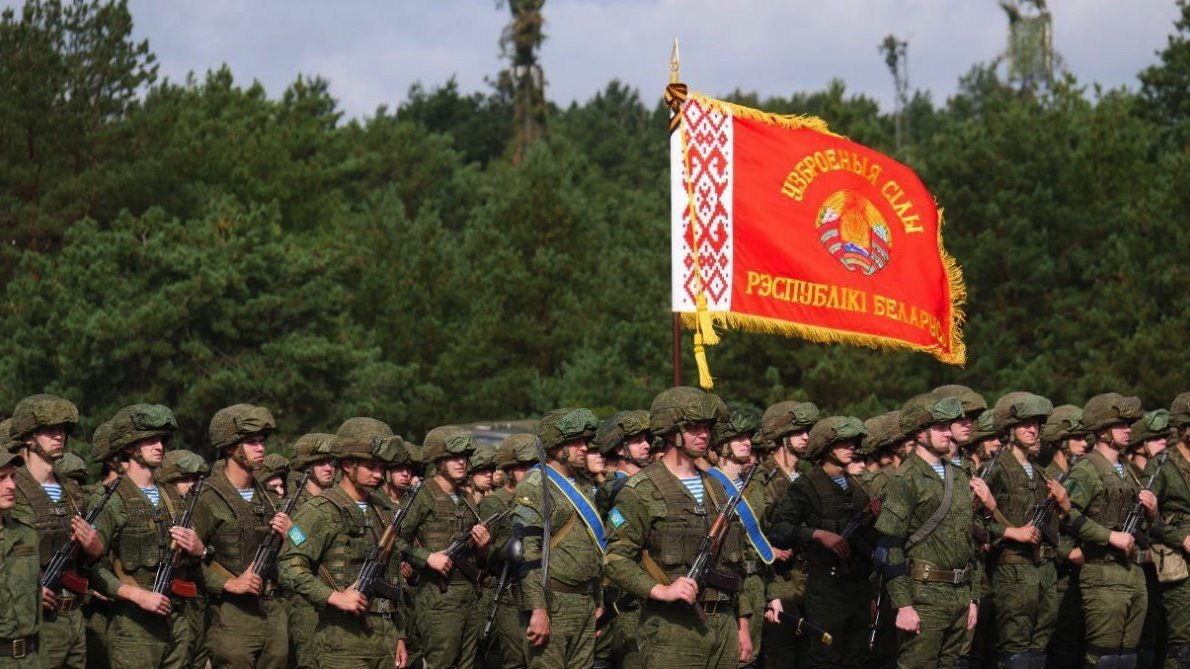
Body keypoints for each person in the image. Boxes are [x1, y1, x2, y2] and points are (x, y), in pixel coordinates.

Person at [604, 386, 750, 669]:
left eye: (706, 427)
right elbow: (615, 559)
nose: (704, 435)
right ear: (671, 432)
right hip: (672, 630)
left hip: (723, 625)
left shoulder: (717, 487)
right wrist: (659, 589)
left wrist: (742, 626)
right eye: (694, 428)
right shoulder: (640, 490)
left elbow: (735, 564)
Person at [874, 392, 996, 669]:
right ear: (918, 433)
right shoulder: (906, 479)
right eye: (939, 427)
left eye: (948, 426)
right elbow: (888, 546)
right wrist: (903, 606)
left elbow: (970, 543)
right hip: (923, 597)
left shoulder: (958, 474)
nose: (947, 433)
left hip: (959, 595)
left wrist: (972, 598)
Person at [279, 418, 409, 669]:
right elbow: (289, 567)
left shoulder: (382, 511)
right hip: (342, 642)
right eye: (371, 466)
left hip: (384, 638)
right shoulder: (319, 511)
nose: (379, 474)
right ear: (348, 464)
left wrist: (399, 635)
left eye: (382, 467)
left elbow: (391, 580)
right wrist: (334, 597)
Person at [91, 404, 206, 669]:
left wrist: (200, 550)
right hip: (134, 625)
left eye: (162, 440)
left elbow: (194, 563)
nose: (159, 446)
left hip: (177, 620)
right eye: (150, 440)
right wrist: (137, 595)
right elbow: (92, 568)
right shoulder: (110, 499)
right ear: (130, 447)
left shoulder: (173, 498)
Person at [770, 416, 875, 669]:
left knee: (857, 659)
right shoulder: (806, 485)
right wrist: (817, 534)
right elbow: (779, 529)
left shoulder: (857, 485)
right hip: (825, 589)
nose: (852, 447)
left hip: (858, 588)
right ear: (827, 447)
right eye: (844, 442)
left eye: (854, 441)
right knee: (824, 658)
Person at [191, 404, 291, 669]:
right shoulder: (206, 498)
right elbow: (185, 563)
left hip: (273, 609)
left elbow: (301, 550)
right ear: (229, 448)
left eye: (261, 441)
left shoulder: (269, 498)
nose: (261, 448)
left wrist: (291, 535)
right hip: (231, 615)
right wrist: (228, 584)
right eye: (251, 442)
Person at [9, 394, 103, 669]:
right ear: (28, 437)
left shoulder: (73, 492)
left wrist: (95, 548)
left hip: (74, 621)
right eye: (49, 430)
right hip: (32, 624)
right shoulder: (10, 488)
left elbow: (87, 561)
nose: (59, 436)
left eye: (63, 430)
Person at [1063, 393, 1153, 668]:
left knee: (1127, 658)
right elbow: (1067, 514)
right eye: (1121, 425)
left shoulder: (1128, 470)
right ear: (1102, 431)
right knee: (1103, 658)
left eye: (1129, 424)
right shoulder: (1087, 469)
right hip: (1102, 574)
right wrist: (1109, 536)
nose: (1129, 430)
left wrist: (1151, 511)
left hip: (1132, 573)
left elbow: (1141, 524)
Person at [982, 392, 1070, 669]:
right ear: (1009, 429)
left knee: (1038, 649)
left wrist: (1064, 504)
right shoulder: (994, 470)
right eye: (1025, 425)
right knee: (1015, 651)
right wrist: (1011, 533)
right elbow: (968, 520)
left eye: (1036, 425)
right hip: (1013, 568)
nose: (1033, 431)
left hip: (1044, 569)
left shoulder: (1042, 473)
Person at [395, 426, 490, 669]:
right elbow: (392, 539)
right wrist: (426, 557)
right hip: (439, 594)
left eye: (464, 457)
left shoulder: (467, 498)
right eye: (454, 457)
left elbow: (478, 554)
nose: (462, 462)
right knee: (441, 662)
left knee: (467, 663)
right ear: (438, 460)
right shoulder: (422, 495)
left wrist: (483, 546)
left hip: (470, 593)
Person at [755, 400, 818, 669]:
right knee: (780, 656)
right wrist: (770, 594)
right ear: (781, 436)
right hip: (778, 579)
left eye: (808, 432)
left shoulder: (807, 478)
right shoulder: (760, 478)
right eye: (798, 432)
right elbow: (751, 533)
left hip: (810, 580)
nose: (806, 438)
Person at [708, 407, 768, 669]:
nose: (747, 443)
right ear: (721, 445)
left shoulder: (752, 487)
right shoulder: (709, 484)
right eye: (739, 438)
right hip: (722, 586)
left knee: (750, 659)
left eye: (748, 437)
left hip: (754, 581)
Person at [1039, 405, 1090, 669]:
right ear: (1061, 441)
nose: (1085, 443)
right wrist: (1066, 553)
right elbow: (1039, 526)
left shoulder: (1082, 474)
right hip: (1057, 574)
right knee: (1062, 645)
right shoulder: (1046, 476)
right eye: (1077, 438)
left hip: (1084, 572)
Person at [281, 432, 337, 669]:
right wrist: (293, 531)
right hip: (305, 598)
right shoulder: (292, 505)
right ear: (306, 466)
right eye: (320, 462)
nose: (328, 468)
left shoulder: (337, 501)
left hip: (336, 593)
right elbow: (294, 548)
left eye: (331, 462)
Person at [481, 434, 537, 669]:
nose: (529, 472)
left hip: (539, 590)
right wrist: (504, 551)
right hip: (509, 591)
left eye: (533, 466)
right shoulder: (494, 503)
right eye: (522, 467)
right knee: (515, 659)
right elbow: (483, 555)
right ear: (508, 470)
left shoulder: (541, 499)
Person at [155, 450, 211, 669]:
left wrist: (203, 551)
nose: (191, 485)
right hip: (166, 603)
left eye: (196, 480)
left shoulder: (204, 510)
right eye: (183, 480)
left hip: (200, 603)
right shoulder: (160, 512)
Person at [1153, 393, 1190, 669]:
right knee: (1183, 646)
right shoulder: (1162, 465)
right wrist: (1182, 538)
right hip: (1179, 562)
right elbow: (1145, 518)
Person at [0, 447, 41, 668]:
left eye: (13, 477)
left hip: (29, 659)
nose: (11, 486)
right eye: (1, 478)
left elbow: (35, 605)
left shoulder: (26, 533)